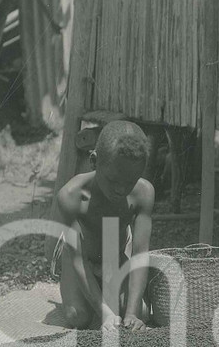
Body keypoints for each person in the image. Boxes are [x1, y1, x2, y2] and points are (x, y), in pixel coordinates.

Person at [52, 120, 155, 331]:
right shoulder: (71, 196)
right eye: (113, 180)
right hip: (79, 256)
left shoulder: (143, 193)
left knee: (141, 312)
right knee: (78, 316)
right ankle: (87, 290)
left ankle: (109, 290)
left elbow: (140, 253)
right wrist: (105, 313)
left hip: (113, 253)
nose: (120, 190)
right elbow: (78, 258)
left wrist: (132, 313)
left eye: (130, 182)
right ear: (93, 161)